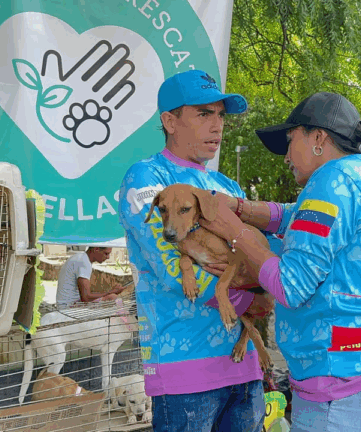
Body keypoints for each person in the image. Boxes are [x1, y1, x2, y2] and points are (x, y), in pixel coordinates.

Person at [199, 92, 361, 431]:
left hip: (345, 394)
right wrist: (242, 209)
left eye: (290, 142)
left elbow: (290, 286)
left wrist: (235, 232)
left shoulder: (332, 180)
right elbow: (301, 218)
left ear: (318, 138)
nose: (286, 157)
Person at [118, 69, 292, 432]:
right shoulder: (146, 177)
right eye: (203, 114)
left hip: (245, 369)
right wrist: (252, 301)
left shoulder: (226, 186)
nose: (217, 125)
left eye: (221, 115)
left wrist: (268, 285)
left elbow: (256, 250)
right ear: (169, 121)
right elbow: (170, 265)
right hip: (185, 372)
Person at [55, 247, 127, 308]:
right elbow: (86, 298)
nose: (108, 257)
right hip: (67, 307)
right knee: (112, 298)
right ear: (96, 249)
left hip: (66, 304)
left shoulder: (81, 258)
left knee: (110, 297)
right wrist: (111, 292)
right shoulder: (83, 262)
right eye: (106, 253)